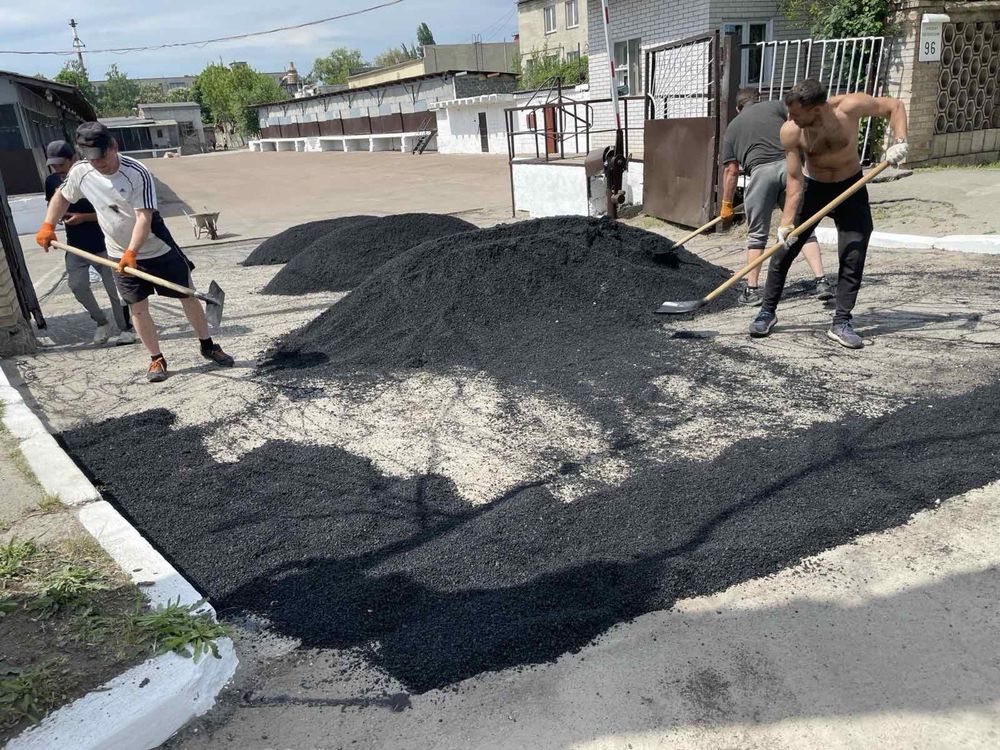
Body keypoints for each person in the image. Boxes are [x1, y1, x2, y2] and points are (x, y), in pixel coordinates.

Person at [35, 122, 234, 381]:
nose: (98, 164)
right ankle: (156, 359)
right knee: (137, 308)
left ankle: (208, 345)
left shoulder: (136, 173)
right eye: (91, 158)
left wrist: (132, 251)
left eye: (102, 156)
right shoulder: (81, 172)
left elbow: (144, 218)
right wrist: (48, 225)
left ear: (113, 146)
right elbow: (62, 197)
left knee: (187, 295)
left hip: (156, 248)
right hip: (118, 253)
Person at [748, 79, 908, 349]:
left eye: (797, 114)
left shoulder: (850, 107)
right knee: (784, 251)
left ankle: (841, 322)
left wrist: (900, 141)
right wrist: (786, 224)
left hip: (851, 187)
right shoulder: (791, 131)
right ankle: (767, 311)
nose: (791, 118)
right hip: (814, 188)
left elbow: (894, 106)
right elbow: (795, 180)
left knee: (853, 253)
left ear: (818, 109)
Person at [720, 88, 831, 307]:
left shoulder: (732, 128)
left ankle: (752, 289)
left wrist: (726, 204)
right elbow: (797, 119)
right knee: (801, 228)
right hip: (789, 168)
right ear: (757, 100)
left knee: (757, 234)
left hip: (761, 174)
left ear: (737, 108)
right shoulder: (776, 106)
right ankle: (822, 281)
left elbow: (731, 171)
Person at [43, 141, 136, 345]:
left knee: (115, 290)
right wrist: (52, 221)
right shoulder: (51, 182)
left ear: (73, 159)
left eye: (61, 165)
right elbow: (53, 205)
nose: (57, 170)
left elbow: (114, 211)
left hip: (103, 244)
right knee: (77, 285)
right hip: (75, 245)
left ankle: (126, 328)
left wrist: (84, 217)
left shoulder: (92, 178)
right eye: (54, 166)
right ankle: (101, 322)